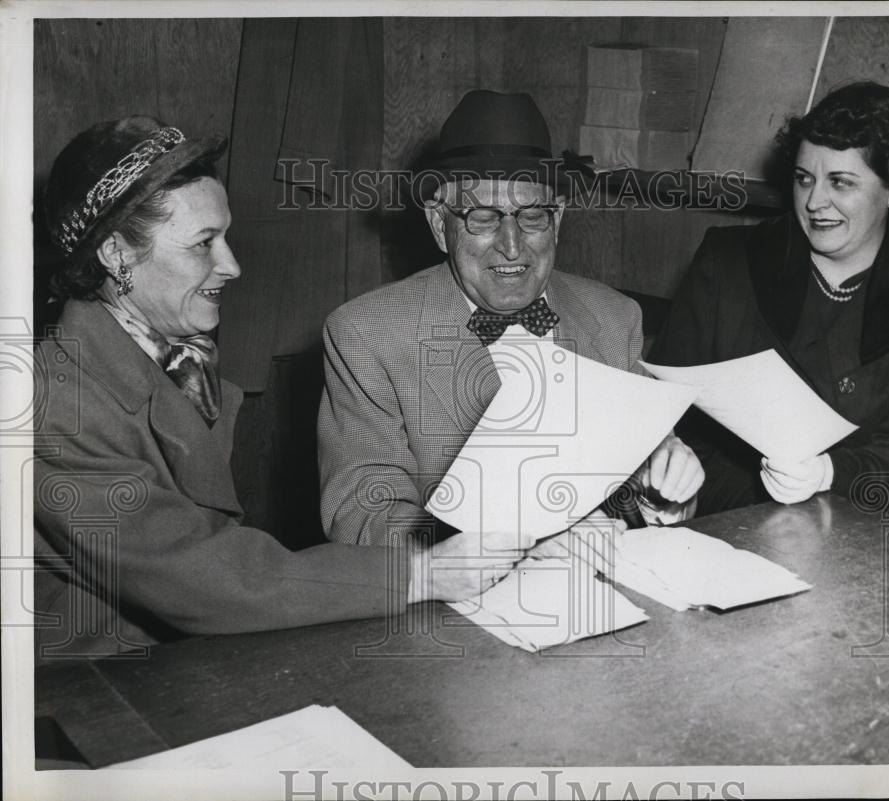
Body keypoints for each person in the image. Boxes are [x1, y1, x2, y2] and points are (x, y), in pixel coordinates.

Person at [33, 116, 520, 659]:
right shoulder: (55, 406)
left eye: (226, 237)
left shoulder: (166, 355)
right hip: (92, 682)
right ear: (116, 253)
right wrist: (420, 573)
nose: (232, 265)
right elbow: (200, 579)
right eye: (203, 244)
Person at [318, 90, 704, 546]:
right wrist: (491, 548)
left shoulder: (615, 319)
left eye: (532, 216)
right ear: (440, 225)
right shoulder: (367, 334)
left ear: (558, 220)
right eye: (483, 218)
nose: (512, 246)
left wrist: (663, 490)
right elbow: (360, 512)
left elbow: (644, 500)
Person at [648, 82, 889, 515]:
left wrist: (830, 472)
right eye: (804, 179)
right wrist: (667, 464)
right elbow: (664, 407)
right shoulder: (727, 261)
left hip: (858, 525)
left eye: (841, 182)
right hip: (719, 514)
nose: (815, 201)